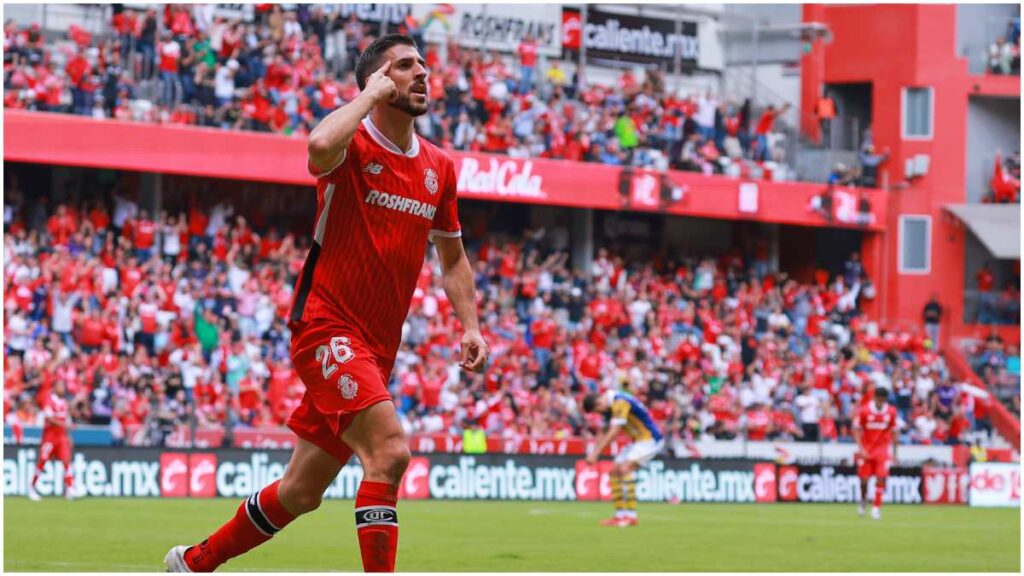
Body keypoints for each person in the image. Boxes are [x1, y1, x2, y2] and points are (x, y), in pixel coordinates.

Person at [165, 34, 489, 573]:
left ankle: (194, 563)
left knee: (300, 491)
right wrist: (368, 96)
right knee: (389, 453)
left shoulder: (439, 167)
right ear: (376, 82)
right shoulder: (352, 145)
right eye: (404, 66)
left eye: (422, 65)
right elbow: (317, 147)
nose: (422, 74)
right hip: (326, 327)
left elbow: (453, 260)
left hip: (378, 346)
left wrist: (471, 326)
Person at [582, 389, 664, 527]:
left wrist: (595, 454)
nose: (600, 413)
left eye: (598, 411)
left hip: (650, 439)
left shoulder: (619, 401)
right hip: (637, 441)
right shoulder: (609, 405)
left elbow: (614, 431)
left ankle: (631, 516)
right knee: (614, 471)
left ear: (598, 403)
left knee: (625, 468)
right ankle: (619, 515)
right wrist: (593, 452)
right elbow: (603, 431)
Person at [853, 386, 899, 520]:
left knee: (881, 478)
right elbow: (856, 429)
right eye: (879, 399)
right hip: (867, 450)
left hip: (882, 451)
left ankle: (876, 508)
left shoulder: (891, 412)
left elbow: (895, 432)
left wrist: (895, 453)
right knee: (864, 481)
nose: (881, 402)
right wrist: (861, 449)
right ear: (875, 398)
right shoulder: (865, 411)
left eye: (883, 400)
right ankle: (863, 501)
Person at [28, 380, 74, 501]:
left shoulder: (64, 402)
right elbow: (49, 419)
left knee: (67, 461)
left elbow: (65, 419)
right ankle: (31, 487)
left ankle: (70, 489)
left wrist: (68, 435)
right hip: (50, 436)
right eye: (60, 386)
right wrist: (65, 426)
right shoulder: (49, 401)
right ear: (54, 388)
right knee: (42, 461)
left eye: (63, 386)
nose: (62, 388)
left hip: (61, 436)